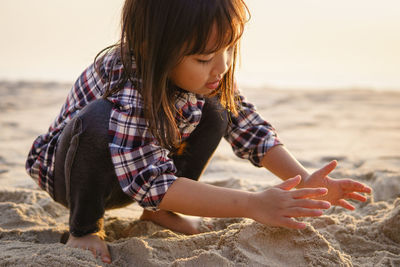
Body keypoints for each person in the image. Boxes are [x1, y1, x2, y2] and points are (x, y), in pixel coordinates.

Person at [26, 0, 372, 264]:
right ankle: (85, 228)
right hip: (73, 175)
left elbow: (249, 129)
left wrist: (306, 178)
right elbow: (151, 182)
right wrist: (252, 204)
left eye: (227, 50)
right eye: (205, 58)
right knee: (98, 119)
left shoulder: (209, 78)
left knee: (218, 109)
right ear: (152, 50)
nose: (221, 67)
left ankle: (159, 213)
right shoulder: (126, 79)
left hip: (140, 170)